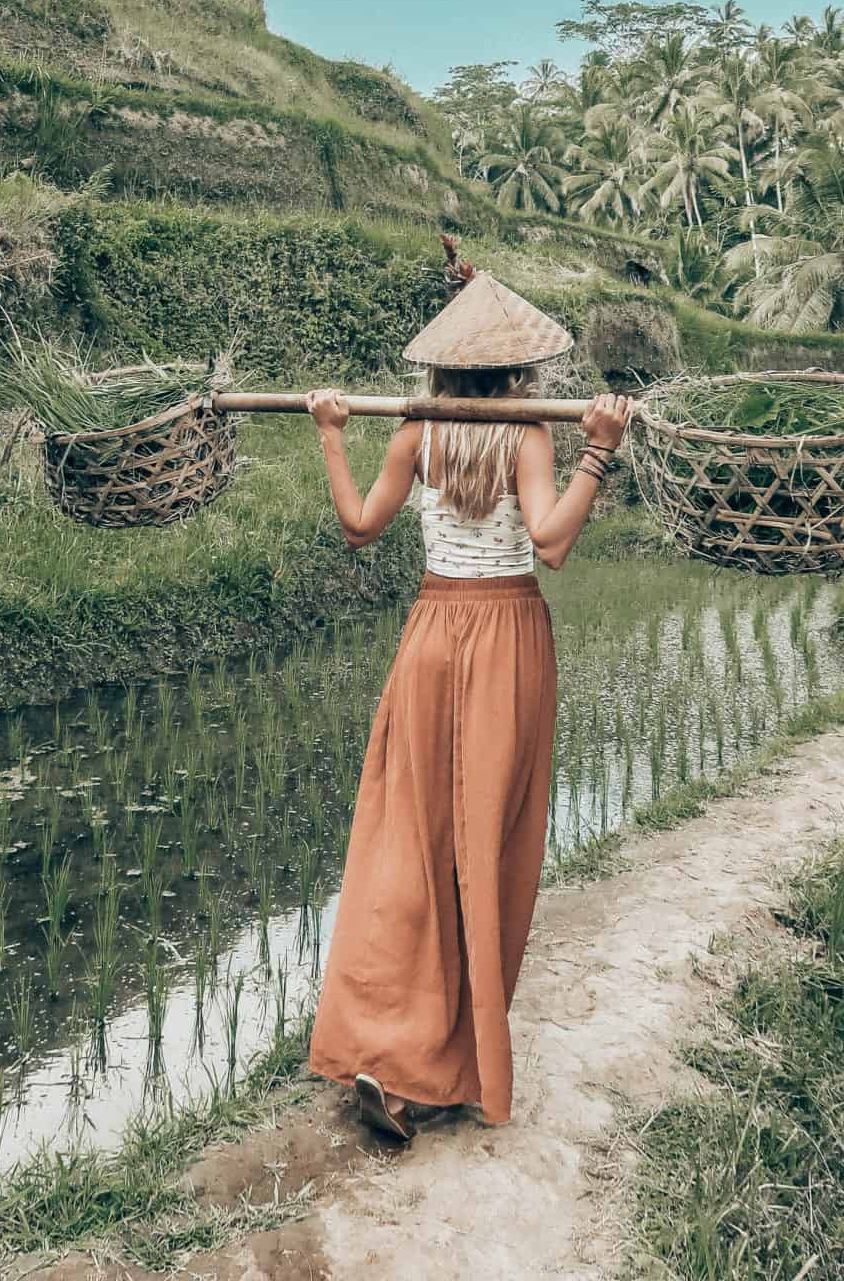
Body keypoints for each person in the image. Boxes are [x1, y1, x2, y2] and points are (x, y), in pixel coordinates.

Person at [303, 271, 631, 1143]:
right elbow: (552, 542)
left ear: (444, 373)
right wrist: (599, 449)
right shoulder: (529, 438)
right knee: (484, 846)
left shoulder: (415, 433)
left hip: (432, 635)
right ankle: (438, 1067)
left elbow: (359, 525)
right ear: (519, 374)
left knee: (409, 839)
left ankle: (394, 1060)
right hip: (506, 639)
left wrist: (331, 434)